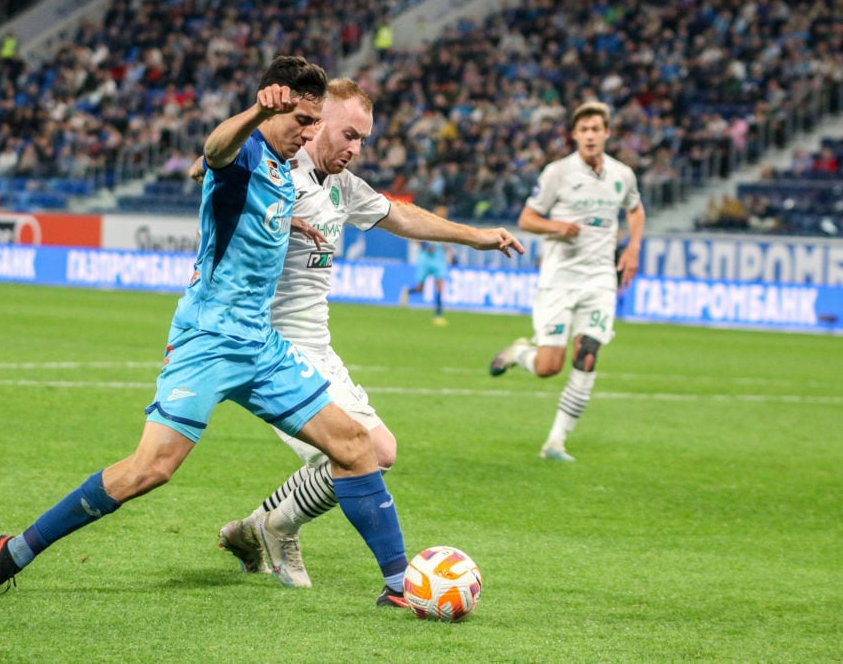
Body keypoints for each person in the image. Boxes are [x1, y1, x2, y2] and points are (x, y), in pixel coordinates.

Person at [0, 56, 410, 608]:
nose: (309, 134)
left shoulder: (290, 169)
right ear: (272, 105)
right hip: (208, 342)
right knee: (151, 470)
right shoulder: (242, 151)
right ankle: (10, 554)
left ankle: (400, 588)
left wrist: (288, 219)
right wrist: (249, 119)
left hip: (261, 346)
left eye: (316, 123)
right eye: (301, 121)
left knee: (359, 446)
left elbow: (236, 195)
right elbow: (214, 153)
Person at [210, 78, 524, 588]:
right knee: (360, 454)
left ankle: (261, 526)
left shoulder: (340, 184)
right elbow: (218, 188)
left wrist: (476, 237)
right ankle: (281, 531)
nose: (355, 149)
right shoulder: (272, 173)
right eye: (348, 134)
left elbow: (399, 213)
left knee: (381, 451)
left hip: (318, 346)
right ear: (316, 123)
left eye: (363, 140)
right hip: (273, 348)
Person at [488, 101, 645, 462]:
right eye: (584, 130)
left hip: (601, 279)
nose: (590, 135)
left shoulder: (623, 175)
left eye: (596, 129)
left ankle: (556, 442)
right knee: (548, 367)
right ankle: (519, 353)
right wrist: (556, 226)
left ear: (606, 133)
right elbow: (527, 218)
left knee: (588, 353)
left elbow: (635, 209)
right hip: (560, 279)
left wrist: (633, 247)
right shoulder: (557, 172)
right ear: (575, 135)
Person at [399, 205, 454, 326]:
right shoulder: (427, 223)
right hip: (425, 259)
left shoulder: (447, 227)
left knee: (440, 286)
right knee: (420, 288)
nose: (443, 216)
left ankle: (438, 315)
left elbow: (447, 243)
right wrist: (426, 246)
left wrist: (450, 251)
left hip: (438, 260)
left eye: (444, 214)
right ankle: (407, 291)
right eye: (441, 214)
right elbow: (415, 238)